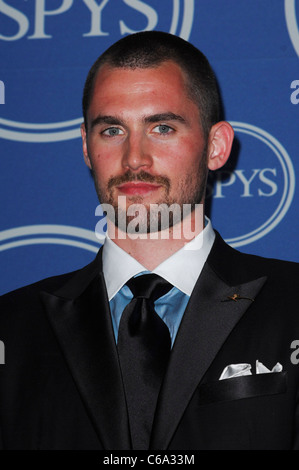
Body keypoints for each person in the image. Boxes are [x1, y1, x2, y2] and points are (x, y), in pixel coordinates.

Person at [0, 31, 299, 451]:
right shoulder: (11, 329)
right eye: (111, 130)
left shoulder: (292, 305)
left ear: (216, 146)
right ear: (86, 148)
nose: (134, 158)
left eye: (161, 127)